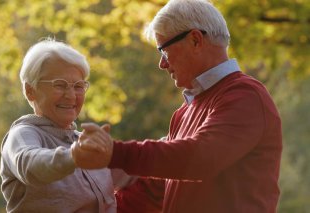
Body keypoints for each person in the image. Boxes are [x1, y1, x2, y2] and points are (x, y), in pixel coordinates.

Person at [71, 0, 283, 212]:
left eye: (163, 51)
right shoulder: (184, 112)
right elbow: (155, 190)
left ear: (195, 40)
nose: (162, 64)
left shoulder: (245, 96)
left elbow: (200, 158)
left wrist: (115, 153)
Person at [0, 38, 117, 212]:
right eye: (60, 85)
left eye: (78, 86)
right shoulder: (22, 134)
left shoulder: (85, 142)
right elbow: (30, 164)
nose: (71, 96)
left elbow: (139, 170)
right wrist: (74, 156)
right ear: (30, 90)